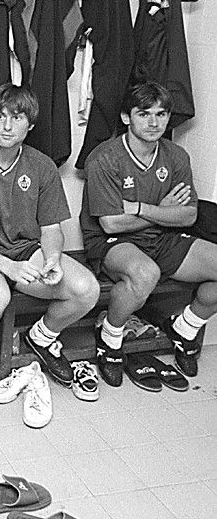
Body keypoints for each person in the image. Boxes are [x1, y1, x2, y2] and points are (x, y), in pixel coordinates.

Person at [0, 83, 100, 396]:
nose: (7, 125)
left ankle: (41, 337)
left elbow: (52, 227)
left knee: (86, 290)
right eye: (0, 116)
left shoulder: (41, 165)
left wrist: (52, 258)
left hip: (26, 250)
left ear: (31, 124)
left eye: (17, 117)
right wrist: (9, 267)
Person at [81, 82, 217, 383]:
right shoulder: (105, 157)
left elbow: (189, 215)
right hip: (112, 244)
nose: (154, 122)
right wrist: (164, 211)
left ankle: (186, 328)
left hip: (162, 240)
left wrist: (142, 207)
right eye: (144, 114)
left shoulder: (177, 157)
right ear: (127, 117)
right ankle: (110, 338)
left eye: (161, 114)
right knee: (145, 274)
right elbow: (112, 223)